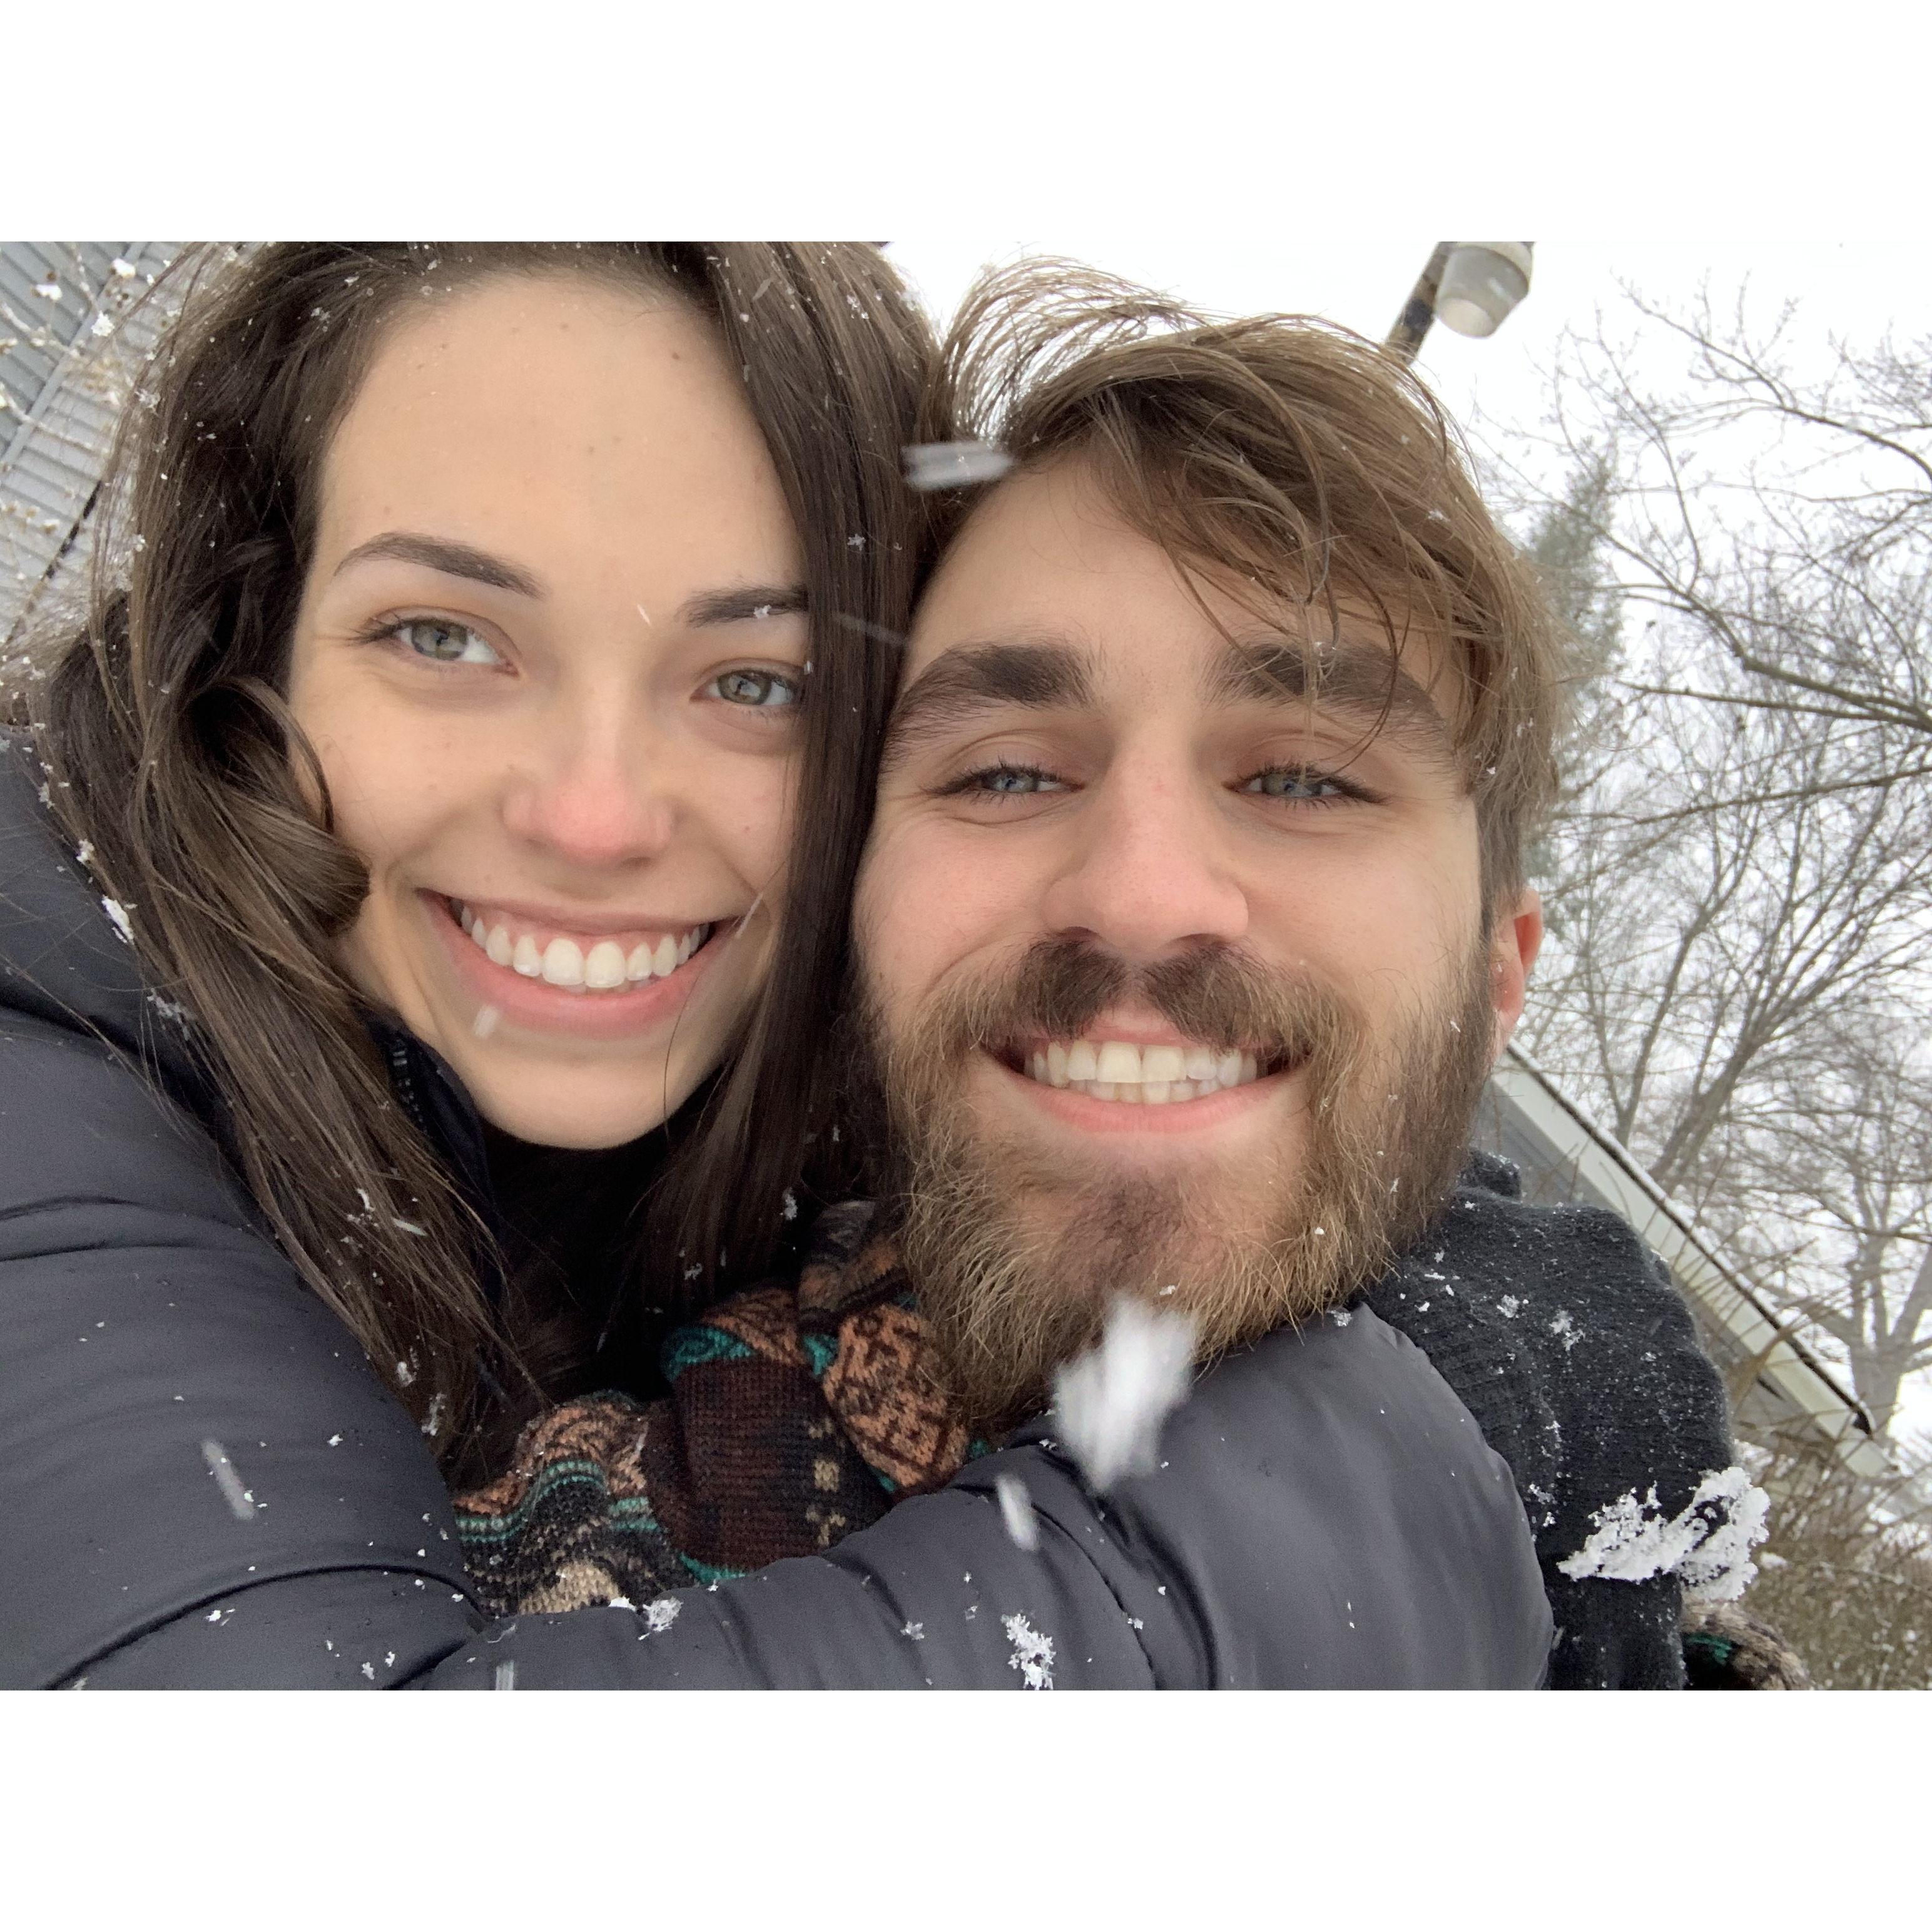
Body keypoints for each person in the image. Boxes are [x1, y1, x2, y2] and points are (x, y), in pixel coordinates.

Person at [0, 243, 1550, 1689]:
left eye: (755, 680)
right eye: (443, 636)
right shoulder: (54, 1046)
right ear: (247, 650)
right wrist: (1375, 1481)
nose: (595, 816)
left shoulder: (791, 1118)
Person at [454, 265, 1767, 1690]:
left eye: (1306, 779)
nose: (1140, 896)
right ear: (853, 919)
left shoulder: (1658, 1612)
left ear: (1495, 978)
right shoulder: (550, 1571)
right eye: (1008, 771)